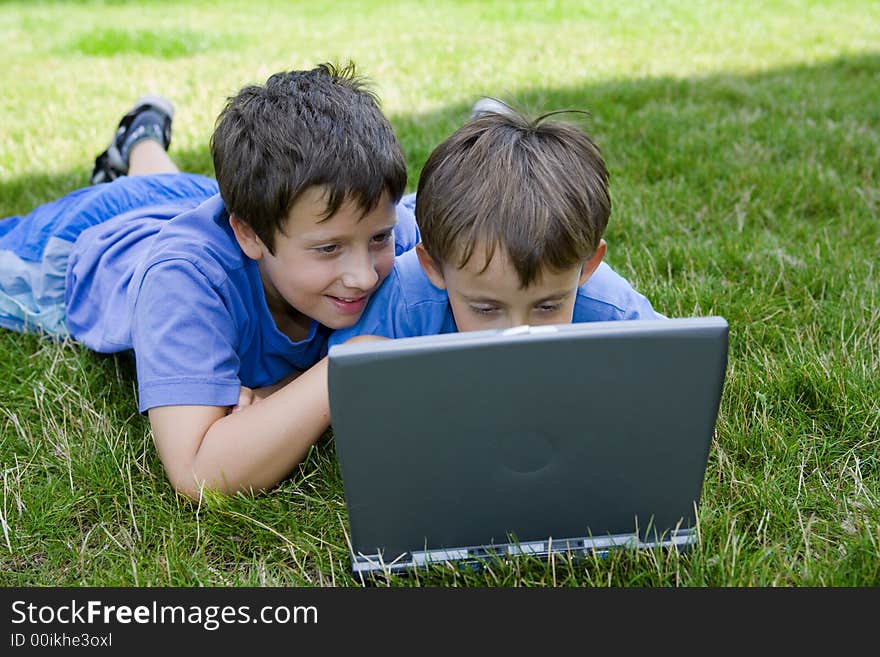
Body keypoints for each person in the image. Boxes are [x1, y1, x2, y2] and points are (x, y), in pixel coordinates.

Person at [0, 63, 418, 499]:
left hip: (186, 198)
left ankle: (139, 140)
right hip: (92, 239)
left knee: (169, 187)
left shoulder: (349, 218)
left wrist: (277, 395)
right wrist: (345, 368)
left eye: (379, 238)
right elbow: (199, 472)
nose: (364, 275)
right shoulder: (184, 282)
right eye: (329, 249)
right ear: (250, 234)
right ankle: (132, 154)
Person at [329, 99, 662, 349]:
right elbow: (344, 378)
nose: (517, 335)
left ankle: (492, 125)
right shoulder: (403, 300)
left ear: (588, 265)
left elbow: (676, 364)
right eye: (486, 309)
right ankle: (488, 126)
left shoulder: (611, 308)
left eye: (547, 306)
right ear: (434, 268)